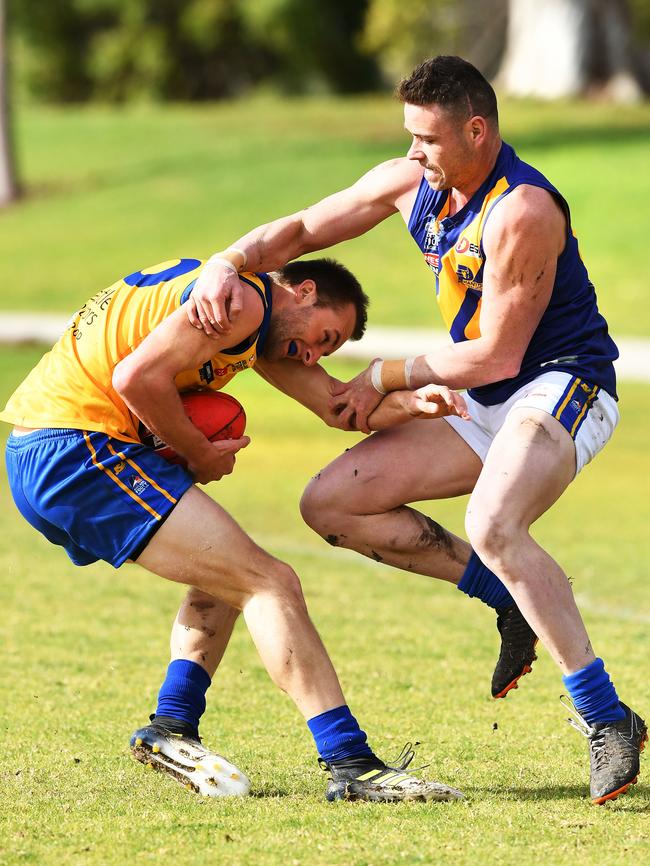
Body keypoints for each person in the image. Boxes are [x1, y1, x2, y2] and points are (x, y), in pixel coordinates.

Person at [184, 56, 647, 805]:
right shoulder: (413, 183)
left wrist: (383, 378)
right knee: (331, 504)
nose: (412, 154)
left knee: (495, 521)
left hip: (562, 383)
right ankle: (502, 599)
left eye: (427, 139)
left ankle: (606, 717)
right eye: (408, 136)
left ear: (476, 129)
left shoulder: (522, 211)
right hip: (483, 398)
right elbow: (302, 228)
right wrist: (227, 261)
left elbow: (498, 351)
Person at [1, 254, 470, 803]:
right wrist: (198, 454)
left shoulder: (258, 324)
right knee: (270, 582)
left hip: (47, 449)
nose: (314, 355)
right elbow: (135, 378)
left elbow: (337, 405)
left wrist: (412, 403)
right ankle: (352, 763)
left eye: (327, 350)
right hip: (79, 447)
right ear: (303, 291)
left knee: (225, 577)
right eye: (323, 335)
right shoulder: (243, 303)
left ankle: (171, 727)